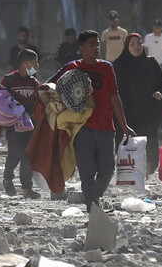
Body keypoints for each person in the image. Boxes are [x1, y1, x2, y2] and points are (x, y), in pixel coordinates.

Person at [50, 30, 136, 211]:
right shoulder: (73, 67)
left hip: (106, 127)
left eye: (98, 44)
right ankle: (92, 208)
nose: (97, 48)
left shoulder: (106, 68)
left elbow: (114, 97)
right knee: (87, 172)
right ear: (81, 48)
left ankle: (94, 197)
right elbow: (51, 86)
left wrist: (124, 125)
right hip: (82, 129)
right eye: (92, 45)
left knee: (107, 171)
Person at [112, 33, 162, 177]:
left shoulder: (151, 63)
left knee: (148, 142)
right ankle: (129, 174)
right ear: (127, 46)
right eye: (132, 44)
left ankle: (146, 172)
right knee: (126, 142)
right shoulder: (118, 65)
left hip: (147, 111)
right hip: (126, 111)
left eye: (138, 43)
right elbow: (112, 88)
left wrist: (159, 92)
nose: (136, 47)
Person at [0, 49, 42, 199]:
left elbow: (39, 103)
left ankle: (26, 189)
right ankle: (7, 179)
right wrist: (0, 124)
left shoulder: (34, 82)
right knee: (14, 155)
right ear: (26, 63)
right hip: (13, 125)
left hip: (31, 124)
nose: (37, 65)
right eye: (35, 62)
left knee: (28, 156)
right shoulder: (9, 80)